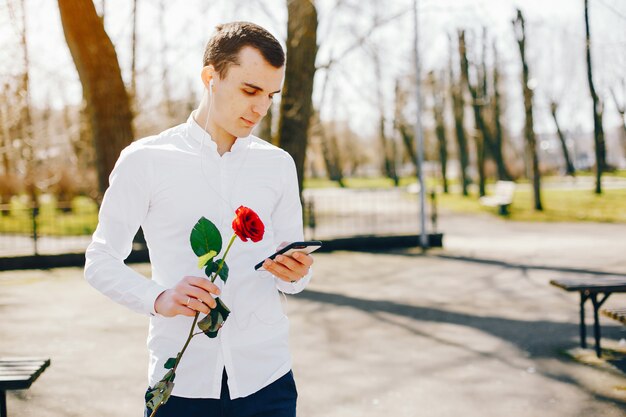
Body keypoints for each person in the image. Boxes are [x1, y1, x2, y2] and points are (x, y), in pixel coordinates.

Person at [84, 21, 314, 417]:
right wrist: (159, 298)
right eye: (250, 90)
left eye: (271, 95)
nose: (261, 108)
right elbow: (100, 259)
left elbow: (293, 272)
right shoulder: (146, 160)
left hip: (269, 380)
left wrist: (295, 273)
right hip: (182, 384)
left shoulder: (278, 165)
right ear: (211, 76)